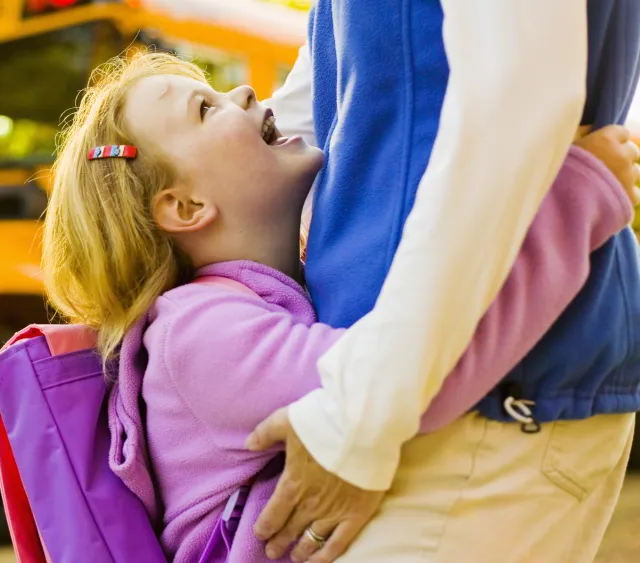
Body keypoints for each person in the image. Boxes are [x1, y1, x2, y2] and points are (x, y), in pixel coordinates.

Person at [40, 51, 640, 562]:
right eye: (205, 108)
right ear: (187, 208)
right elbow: (414, 373)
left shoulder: (257, 302)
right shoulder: (200, 336)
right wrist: (578, 201)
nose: (245, 90)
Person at [246, 1, 640, 561]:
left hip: (487, 395)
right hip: (397, 394)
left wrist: (355, 424)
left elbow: (518, 94)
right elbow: (322, 103)